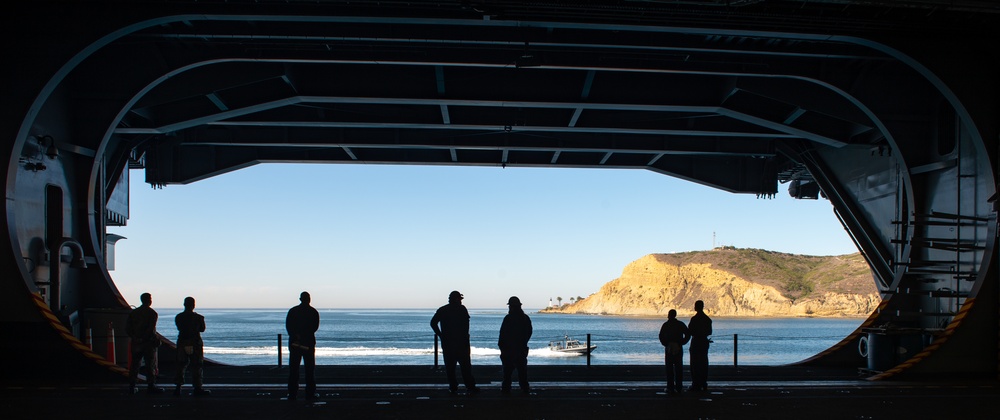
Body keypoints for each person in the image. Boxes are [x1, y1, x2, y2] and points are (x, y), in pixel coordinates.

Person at [430, 290, 479, 394]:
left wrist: (441, 335)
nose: (461, 301)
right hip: (461, 343)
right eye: (459, 299)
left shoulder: (443, 310)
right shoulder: (462, 309)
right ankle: (469, 386)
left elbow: (433, 323)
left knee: (450, 367)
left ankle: (453, 386)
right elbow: (466, 326)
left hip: (449, 343)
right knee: (465, 366)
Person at [285, 291, 320, 401]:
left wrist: (296, 336)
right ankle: (310, 393)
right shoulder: (313, 312)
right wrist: (305, 336)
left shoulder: (293, 311)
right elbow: (314, 327)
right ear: (309, 299)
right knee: (309, 369)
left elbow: (289, 327)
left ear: (300, 299)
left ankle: (292, 393)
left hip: (295, 343)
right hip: (308, 343)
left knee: (294, 369)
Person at [126, 292, 163, 394]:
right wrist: (144, 339)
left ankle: (132, 386)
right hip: (147, 344)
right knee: (149, 365)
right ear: (149, 300)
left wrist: (135, 338)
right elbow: (150, 329)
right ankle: (151, 386)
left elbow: (128, 328)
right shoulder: (152, 313)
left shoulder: (134, 313)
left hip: (136, 343)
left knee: (134, 365)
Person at [174, 296, 210, 396]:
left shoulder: (179, 317)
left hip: (182, 342)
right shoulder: (199, 317)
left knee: (180, 365)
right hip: (195, 343)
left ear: (184, 304)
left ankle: (178, 387)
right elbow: (202, 329)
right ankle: (197, 387)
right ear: (193, 305)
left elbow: (179, 328)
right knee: (197, 366)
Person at [498, 296, 532, 394]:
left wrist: (502, 347)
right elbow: (529, 332)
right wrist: (523, 343)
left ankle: (506, 389)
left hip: (509, 350)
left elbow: (502, 334)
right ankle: (525, 389)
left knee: (507, 372)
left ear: (511, 307)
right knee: (522, 372)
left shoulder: (508, 318)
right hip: (521, 349)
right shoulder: (525, 318)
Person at [658, 309, 690, 395]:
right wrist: (682, 343)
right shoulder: (680, 324)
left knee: (669, 368)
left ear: (669, 315)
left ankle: (670, 387)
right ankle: (679, 387)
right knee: (678, 368)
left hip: (669, 348)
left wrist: (666, 344)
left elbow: (661, 336)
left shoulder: (666, 325)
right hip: (678, 347)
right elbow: (687, 334)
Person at [688, 300, 713, 392]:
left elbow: (690, 331)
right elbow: (709, 332)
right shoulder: (707, 319)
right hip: (703, 342)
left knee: (695, 363)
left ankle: (696, 383)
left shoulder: (694, 319)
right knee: (703, 363)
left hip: (696, 342)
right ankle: (703, 382)